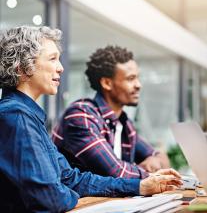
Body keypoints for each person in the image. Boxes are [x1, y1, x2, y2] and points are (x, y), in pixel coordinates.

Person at [0, 26, 181, 212]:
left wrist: (140, 186)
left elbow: (70, 178)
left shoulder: (26, 116)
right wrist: (66, 190)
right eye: (52, 59)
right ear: (21, 67)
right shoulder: (16, 117)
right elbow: (52, 198)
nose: (61, 68)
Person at [52, 45, 169, 180]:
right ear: (107, 83)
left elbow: (161, 158)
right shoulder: (81, 115)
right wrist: (151, 172)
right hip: (80, 200)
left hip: (108, 200)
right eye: (130, 78)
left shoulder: (124, 124)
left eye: (138, 78)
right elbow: (116, 173)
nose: (138, 85)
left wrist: (155, 162)